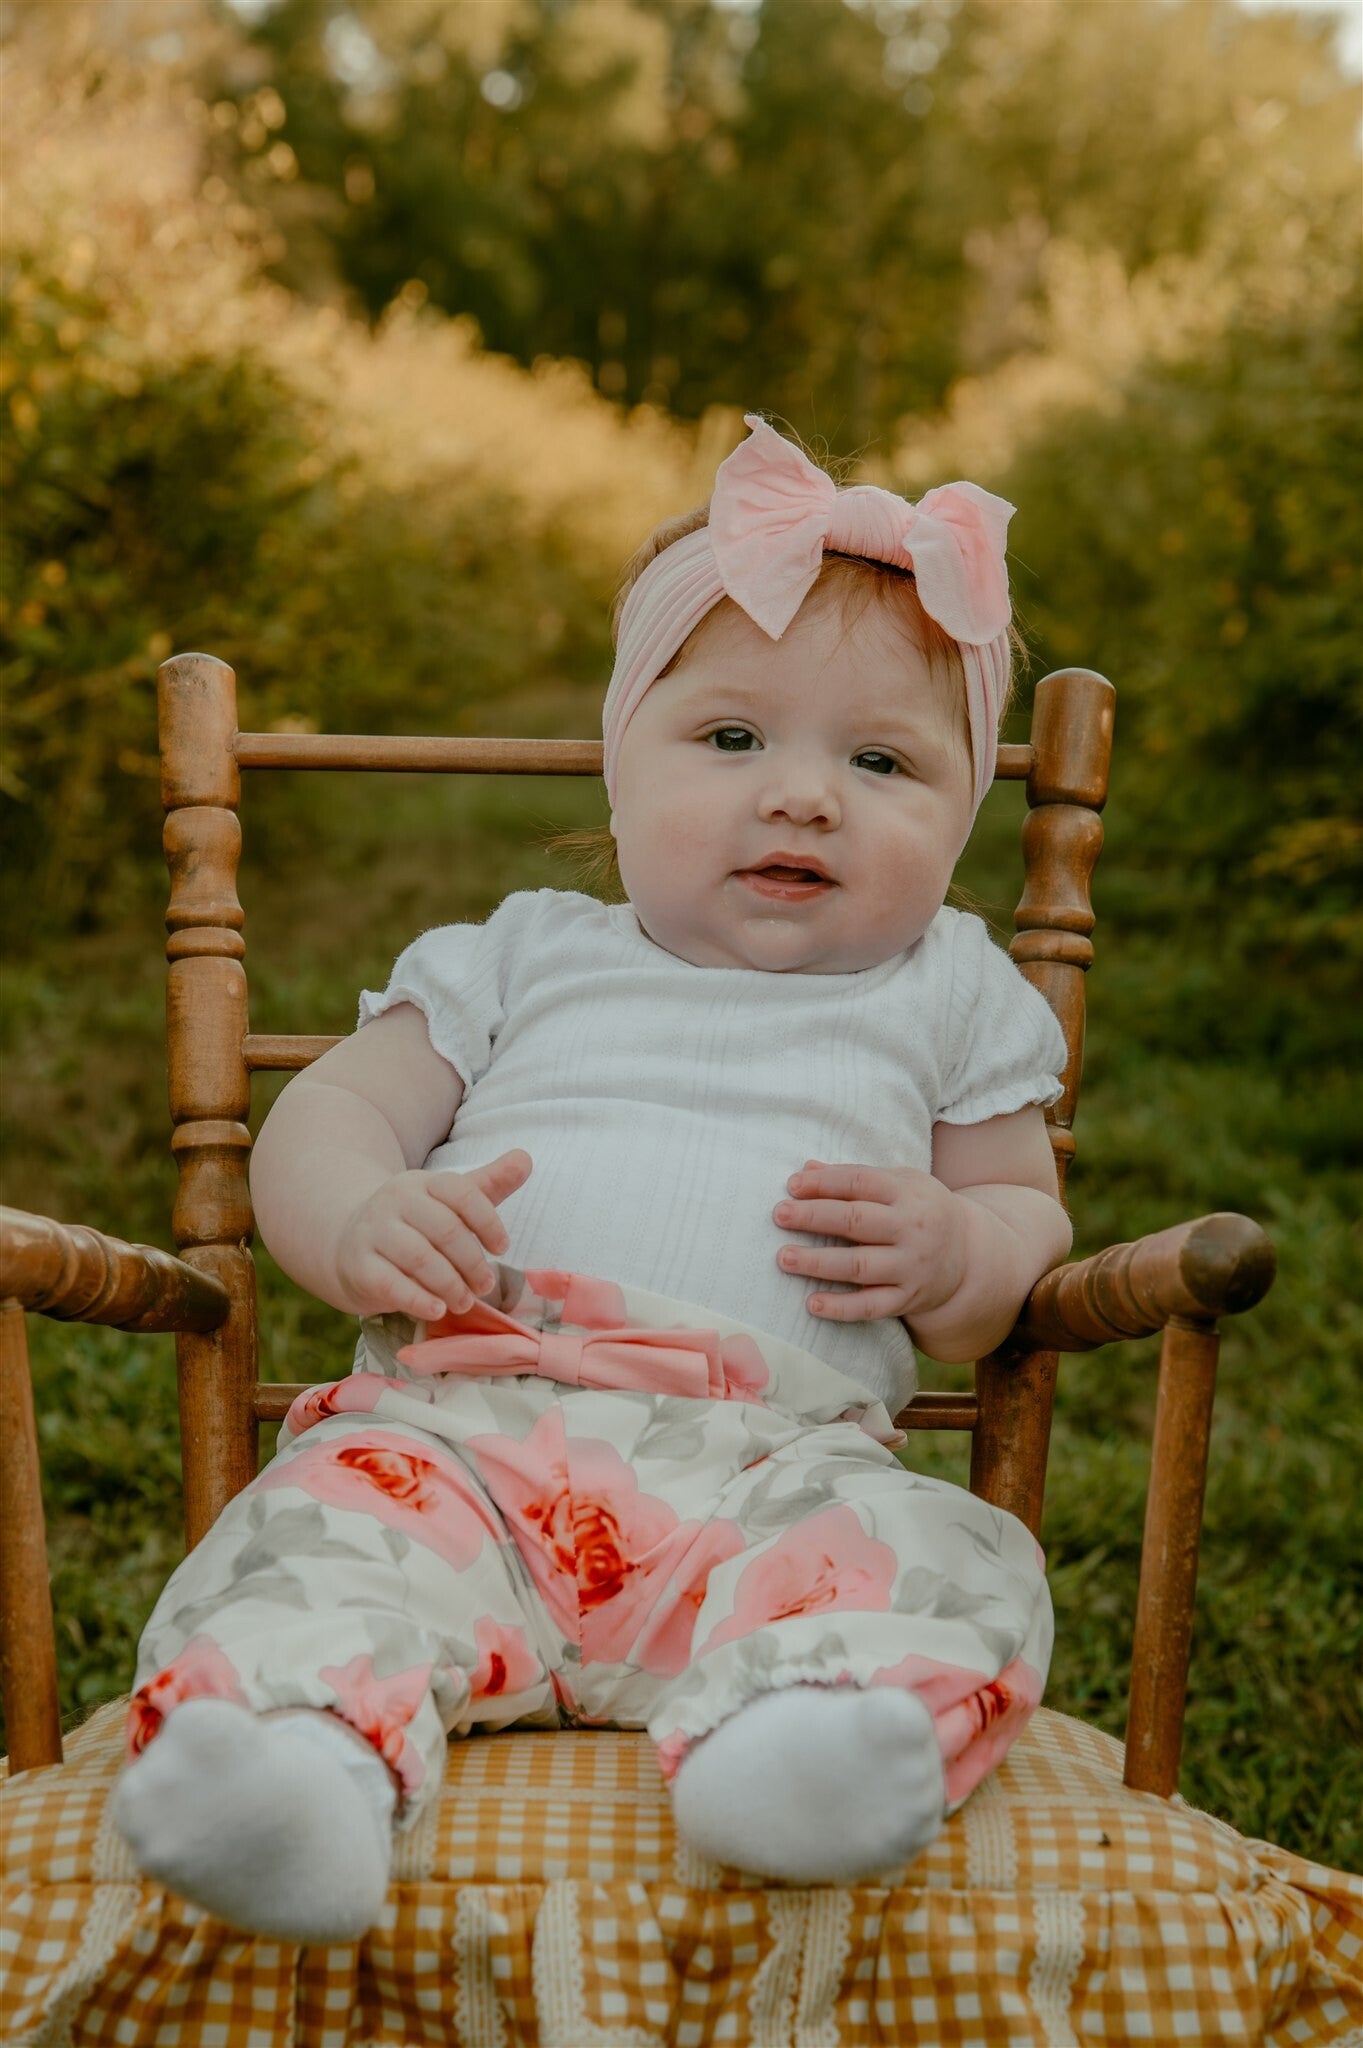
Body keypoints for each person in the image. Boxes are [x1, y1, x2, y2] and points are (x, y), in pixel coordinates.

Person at [113, 415, 1072, 1943]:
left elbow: (1025, 1222)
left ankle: (801, 1743)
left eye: (883, 761)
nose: (805, 795)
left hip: (780, 1467)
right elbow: (332, 1114)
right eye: (733, 740)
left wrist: (961, 1250)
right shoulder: (521, 954)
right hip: (461, 1440)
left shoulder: (953, 990)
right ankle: (291, 1767)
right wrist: (358, 1214)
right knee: (319, 1538)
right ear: (624, 763)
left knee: (946, 1554)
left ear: (962, 817)